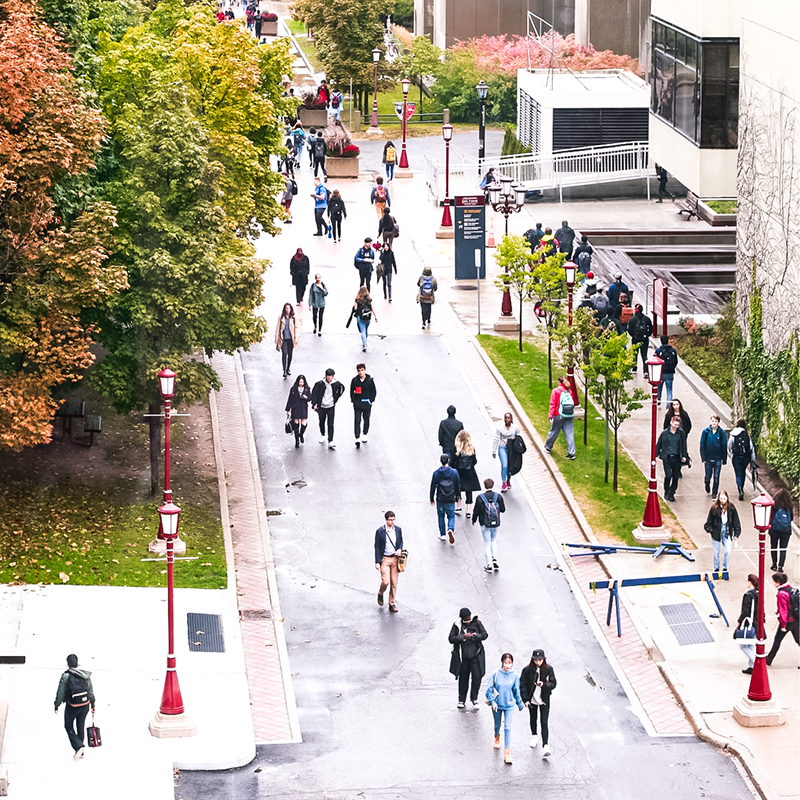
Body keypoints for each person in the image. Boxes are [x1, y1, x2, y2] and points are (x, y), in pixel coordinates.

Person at [54, 653, 95, 760]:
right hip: (85, 704)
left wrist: (56, 704)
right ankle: (80, 751)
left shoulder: (66, 676)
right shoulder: (84, 675)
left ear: (68, 664)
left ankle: (78, 746)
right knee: (80, 725)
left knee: (68, 726)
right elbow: (90, 691)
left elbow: (60, 692)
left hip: (73, 705)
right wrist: (93, 704)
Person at [485, 652, 524, 765]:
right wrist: (493, 701)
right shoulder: (495, 674)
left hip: (509, 706)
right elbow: (489, 690)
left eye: (510, 663)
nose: (508, 666)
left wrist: (519, 703)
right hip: (497, 705)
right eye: (506, 663)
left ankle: (507, 753)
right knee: (498, 725)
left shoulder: (515, 676)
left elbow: (517, 691)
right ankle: (496, 736)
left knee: (507, 727)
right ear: (502, 662)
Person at [448, 607, 488, 708]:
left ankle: (474, 698)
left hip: (476, 656)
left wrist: (476, 636)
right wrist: (463, 636)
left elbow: (485, 634)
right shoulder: (457, 625)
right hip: (463, 657)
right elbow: (451, 638)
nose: (468, 621)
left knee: (477, 677)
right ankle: (461, 700)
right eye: (466, 619)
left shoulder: (477, 623)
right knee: (463, 678)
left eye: (469, 618)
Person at [520, 648, 556, 757]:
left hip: (544, 699)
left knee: (544, 721)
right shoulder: (527, 670)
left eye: (540, 660)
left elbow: (553, 683)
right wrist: (525, 699)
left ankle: (545, 745)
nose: (538, 662)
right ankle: (534, 735)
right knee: (533, 718)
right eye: (536, 660)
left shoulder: (549, 669)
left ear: (544, 660)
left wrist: (544, 685)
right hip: (532, 699)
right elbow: (522, 685)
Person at [704, 489, 741, 574]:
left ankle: (725, 568)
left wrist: (736, 533)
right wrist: (711, 531)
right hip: (716, 532)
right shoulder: (714, 508)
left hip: (727, 531)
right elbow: (708, 523)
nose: (722, 501)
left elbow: (736, 521)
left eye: (724, 499)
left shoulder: (731, 508)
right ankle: (716, 568)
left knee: (728, 551)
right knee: (716, 552)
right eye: (721, 499)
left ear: (727, 498)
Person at [472, 477, 505, 571]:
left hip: (484, 523)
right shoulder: (498, 497)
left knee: (487, 543)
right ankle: (494, 557)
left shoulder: (480, 498)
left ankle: (489, 565)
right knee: (494, 540)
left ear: (484, 486)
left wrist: (474, 520)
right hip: (496, 524)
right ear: (493, 486)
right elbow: (503, 509)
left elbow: (476, 511)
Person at [766, 572, 799, 665]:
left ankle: (769, 659)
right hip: (796, 618)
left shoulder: (781, 593)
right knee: (798, 639)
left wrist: (783, 625)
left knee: (777, 640)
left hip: (788, 621)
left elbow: (784, 610)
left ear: (778, 582)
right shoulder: (790, 589)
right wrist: (778, 610)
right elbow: (790, 604)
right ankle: (769, 658)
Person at [374, 510, 403, 613]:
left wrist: (399, 549)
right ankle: (381, 593)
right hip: (385, 559)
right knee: (386, 581)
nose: (392, 522)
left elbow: (400, 542)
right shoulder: (380, 531)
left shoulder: (398, 530)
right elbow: (377, 546)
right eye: (390, 520)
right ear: (386, 520)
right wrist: (377, 562)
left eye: (393, 519)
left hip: (395, 559)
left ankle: (392, 603)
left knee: (394, 583)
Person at [656, 414, 688, 501]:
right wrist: (656, 455)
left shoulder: (681, 433)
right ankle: (666, 490)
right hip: (667, 457)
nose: (676, 427)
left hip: (677, 458)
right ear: (671, 423)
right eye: (674, 424)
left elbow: (684, 445)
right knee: (668, 475)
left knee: (675, 476)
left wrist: (684, 455)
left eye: (677, 425)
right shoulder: (665, 433)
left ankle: (672, 493)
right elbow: (659, 444)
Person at [430, 454, 460, 543]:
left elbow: (433, 486)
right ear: (448, 460)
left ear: (440, 461)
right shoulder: (454, 472)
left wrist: (431, 498)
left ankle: (442, 534)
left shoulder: (436, 473)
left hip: (440, 498)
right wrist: (458, 496)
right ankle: (450, 528)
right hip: (450, 498)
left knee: (441, 516)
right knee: (451, 515)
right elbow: (457, 485)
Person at [544, 376, 576, 460]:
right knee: (569, 434)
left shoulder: (556, 391)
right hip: (569, 415)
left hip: (558, 415)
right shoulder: (570, 391)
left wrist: (550, 416)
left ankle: (548, 447)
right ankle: (572, 453)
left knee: (554, 431)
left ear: (559, 382)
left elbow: (552, 404)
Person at [311, 368, 343, 448]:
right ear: (325, 376)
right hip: (322, 406)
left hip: (331, 406)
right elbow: (314, 393)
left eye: (331, 376)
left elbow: (342, 389)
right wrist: (314, 404)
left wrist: (336, 397)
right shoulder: (320, 384)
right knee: (321, 421)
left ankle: (330, 440)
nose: (329, 378)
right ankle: (322, 434)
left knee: (330, 424)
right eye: (328, 376)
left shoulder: (336, 384)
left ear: (333, 376)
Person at [736, 574, 761, 674]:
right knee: (752, 645)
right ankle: (751, 665)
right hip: (756, 622)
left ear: (750, 582)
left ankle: (755, 662)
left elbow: (745, 611)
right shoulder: (759, 593)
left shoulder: (748, 595)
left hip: (749, 623)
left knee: (743, 645)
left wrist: (739, 621)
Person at [728, 419, 756, 501]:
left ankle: (740, 488)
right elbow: (751, 447)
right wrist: (753, 458)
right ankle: (742, 486)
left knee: (738, 472)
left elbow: (729, 445)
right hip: (745, 458)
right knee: (742, 471)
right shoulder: (745, 434)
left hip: (736, 457)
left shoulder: (733, 434)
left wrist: (731, 452)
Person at [699, 414, 727, 498]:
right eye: (712, 421)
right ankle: (707, 484)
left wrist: (724, 459)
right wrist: (703, 457)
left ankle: (714, 492)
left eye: (716, 421)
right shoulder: (706, 431)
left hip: (718, 458)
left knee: (716, 477)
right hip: (708, 458)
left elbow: (724, 445)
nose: (714, 423)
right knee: (708, 476)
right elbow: (702, 444)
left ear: (718, 422)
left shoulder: (721, 432)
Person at [454, 430, 480, 518]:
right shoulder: (471, 449)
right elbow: (475, 461)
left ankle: (458, 505)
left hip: (460, 471)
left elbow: (455, 462)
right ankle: (468, 510)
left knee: (458, 488)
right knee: (469, 490)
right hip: (470, 472)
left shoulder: (457, 449)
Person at [492, 413, 521, 492]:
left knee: (510, 466)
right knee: (505, 465)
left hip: (512, 449)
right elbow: (496, 439)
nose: (507, 420)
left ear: (511, 419)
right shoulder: (500, 428)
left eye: (509, 418)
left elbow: (519, 437)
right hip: (503, 448)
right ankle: (504, 482)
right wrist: (494, 450)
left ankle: (508, 479)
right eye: (506, 418)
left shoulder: (515, 428)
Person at [350, 362, 376, 447]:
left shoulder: (369, 380)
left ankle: (365, 434)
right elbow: (351, 391)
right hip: (357, 405)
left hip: (366, 404)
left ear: (365, 370)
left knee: (366, 419)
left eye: (362, 370)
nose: (361, 372)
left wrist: (370, 401)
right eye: (359, 371)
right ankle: (357, 437)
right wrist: (354, 401)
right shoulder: (355, 381)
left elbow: (374, 391)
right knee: (357, 420)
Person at [769, 489, 794, 571]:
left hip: (775, 530)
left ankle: (774, 564)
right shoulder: (789, 505)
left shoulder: (775, 505)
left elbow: (771, 517)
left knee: (774, 547)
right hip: (786, 531)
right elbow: (791, 518)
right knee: (783, 548)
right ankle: (781, 566)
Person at [285, 374, 311, 448]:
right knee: (295, 425)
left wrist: (306, 397)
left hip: (303, 408)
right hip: (295, 408)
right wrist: (288, 409)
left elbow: (310, 398)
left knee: (304, 424)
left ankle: (301, 434)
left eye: (302, 382)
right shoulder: (293, 389)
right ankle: (296, 440)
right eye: (300, 382)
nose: (301, 384)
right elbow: (290, 399)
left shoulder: (307, 388)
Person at [628, 304, 653, 376]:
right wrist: (647, 335)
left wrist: (634, 335)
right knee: (644, 355)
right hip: (645, 339)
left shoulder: (632, 319)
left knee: (635, 354)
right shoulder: (647, 319)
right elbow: (651, 329)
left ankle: (634, 368)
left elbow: (629, 330)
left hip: (635, 339)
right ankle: (645, 370)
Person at [654, 335, 679, 406]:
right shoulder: (673, 350)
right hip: (670, 372)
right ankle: (668, 405)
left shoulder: (658, 351)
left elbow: (656, 361)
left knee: (659, 388)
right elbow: (675, 361)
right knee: (669, 390)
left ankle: (658, 400)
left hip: (661, 373)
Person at [275, 303, 298, 378]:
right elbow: (278, 328)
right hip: (284, 339)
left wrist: (296, 338)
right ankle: (284, 370)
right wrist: (276, 338)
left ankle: (288, 368)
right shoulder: (281, 317)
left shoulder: (294, 318)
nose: (288, 310)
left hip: (290, 339)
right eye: (286, 308)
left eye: (289, 308)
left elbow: (296, 328)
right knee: (284, 354)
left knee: (290, 355)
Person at [350, 287, 376, 352]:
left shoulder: (358, 299)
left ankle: (364, 344)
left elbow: (355, 308)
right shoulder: (369, 299)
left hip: (360, 317)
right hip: (368, 317)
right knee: (366, 329)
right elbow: (372, 308)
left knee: (362, 331)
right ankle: (365, 339)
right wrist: (375, 316)